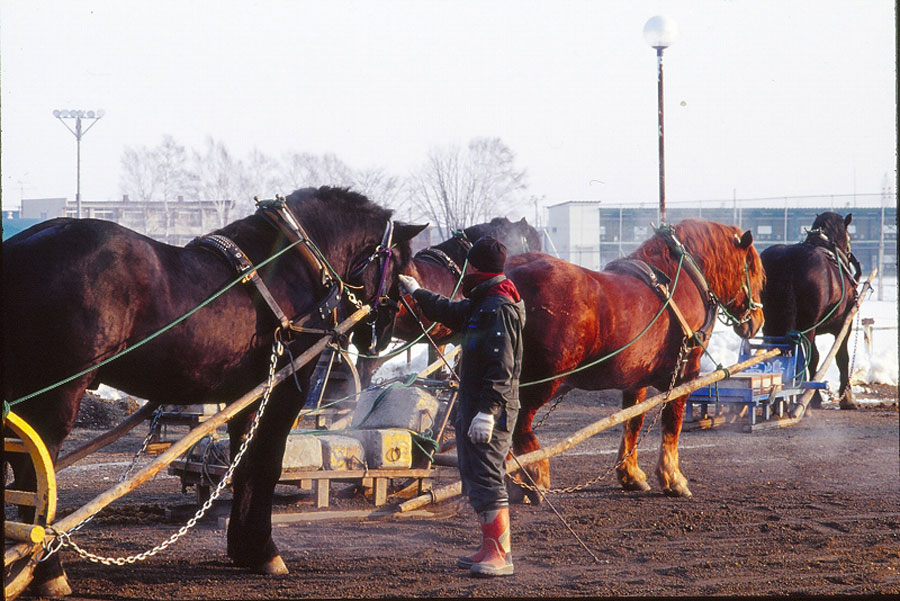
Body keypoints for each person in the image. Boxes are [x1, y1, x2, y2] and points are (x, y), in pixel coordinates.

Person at [399, 236, 526, 578]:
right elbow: (451, 312)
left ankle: (500, 553)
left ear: (477, 267)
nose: (465, 271)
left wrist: (488, 412)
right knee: (475, 473)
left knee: (487, 475)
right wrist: (417, 292)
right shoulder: (483, 301)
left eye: (469, 265)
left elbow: (502, 367)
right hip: (475, 402)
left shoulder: (499, 307)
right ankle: (489, 546)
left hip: (490, 409)